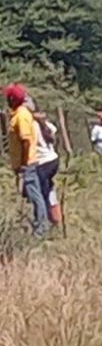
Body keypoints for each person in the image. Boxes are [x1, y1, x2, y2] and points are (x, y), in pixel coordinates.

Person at [5, 84, 49, 237]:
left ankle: (41, 229)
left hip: (28, 164)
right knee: (32, 195)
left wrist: (24, 164)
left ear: (12, 99)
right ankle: (36, 225)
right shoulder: (17, 114)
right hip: (25, 164)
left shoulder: (22, 115)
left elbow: (26, 140)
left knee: (35, 196)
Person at [32, 108, 61, 224]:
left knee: (42, 193)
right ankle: (56, 216)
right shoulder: (46, 125)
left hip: (42, 162)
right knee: (49, 188)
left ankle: (46, 219)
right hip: (53, 160)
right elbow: (54, 130)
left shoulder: (32, 126)